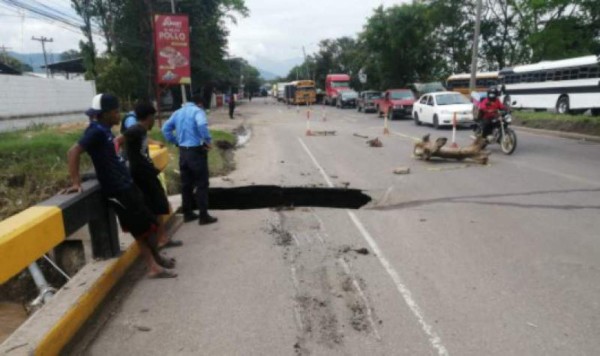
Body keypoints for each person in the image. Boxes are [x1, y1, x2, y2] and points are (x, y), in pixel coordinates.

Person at [63, 93, 177, 279]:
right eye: (116, 112)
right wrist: (76, 182)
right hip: (118, 190)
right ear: (105, 113)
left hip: (126, 185)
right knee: (141, 230)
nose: (119, 115)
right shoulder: (95, 131)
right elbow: (73, 152)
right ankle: (153, 266)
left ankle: (156, 259)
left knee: (148, 226)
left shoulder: (104, 130)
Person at [119, 102, 183, 249]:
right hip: (141, 174)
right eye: (154, 117)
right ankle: (160, 239)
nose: (154, 120)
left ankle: (161, 238)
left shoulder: (141, 130)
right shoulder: (135, 129)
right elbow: (118, 141)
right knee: (159, 204)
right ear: (149, 117)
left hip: (146, 171)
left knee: (157, 205)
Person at [161, 94, 218, 225]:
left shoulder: (177, 112)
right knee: (201, 184)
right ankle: (203, 216)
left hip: (183, 152)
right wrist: (208, 141)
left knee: (186, 185)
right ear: (200, 104)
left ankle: (188, 213)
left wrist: (175, 141)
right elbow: (202, 125)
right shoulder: (198, 111)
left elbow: (165, 129)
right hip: (196, 152)